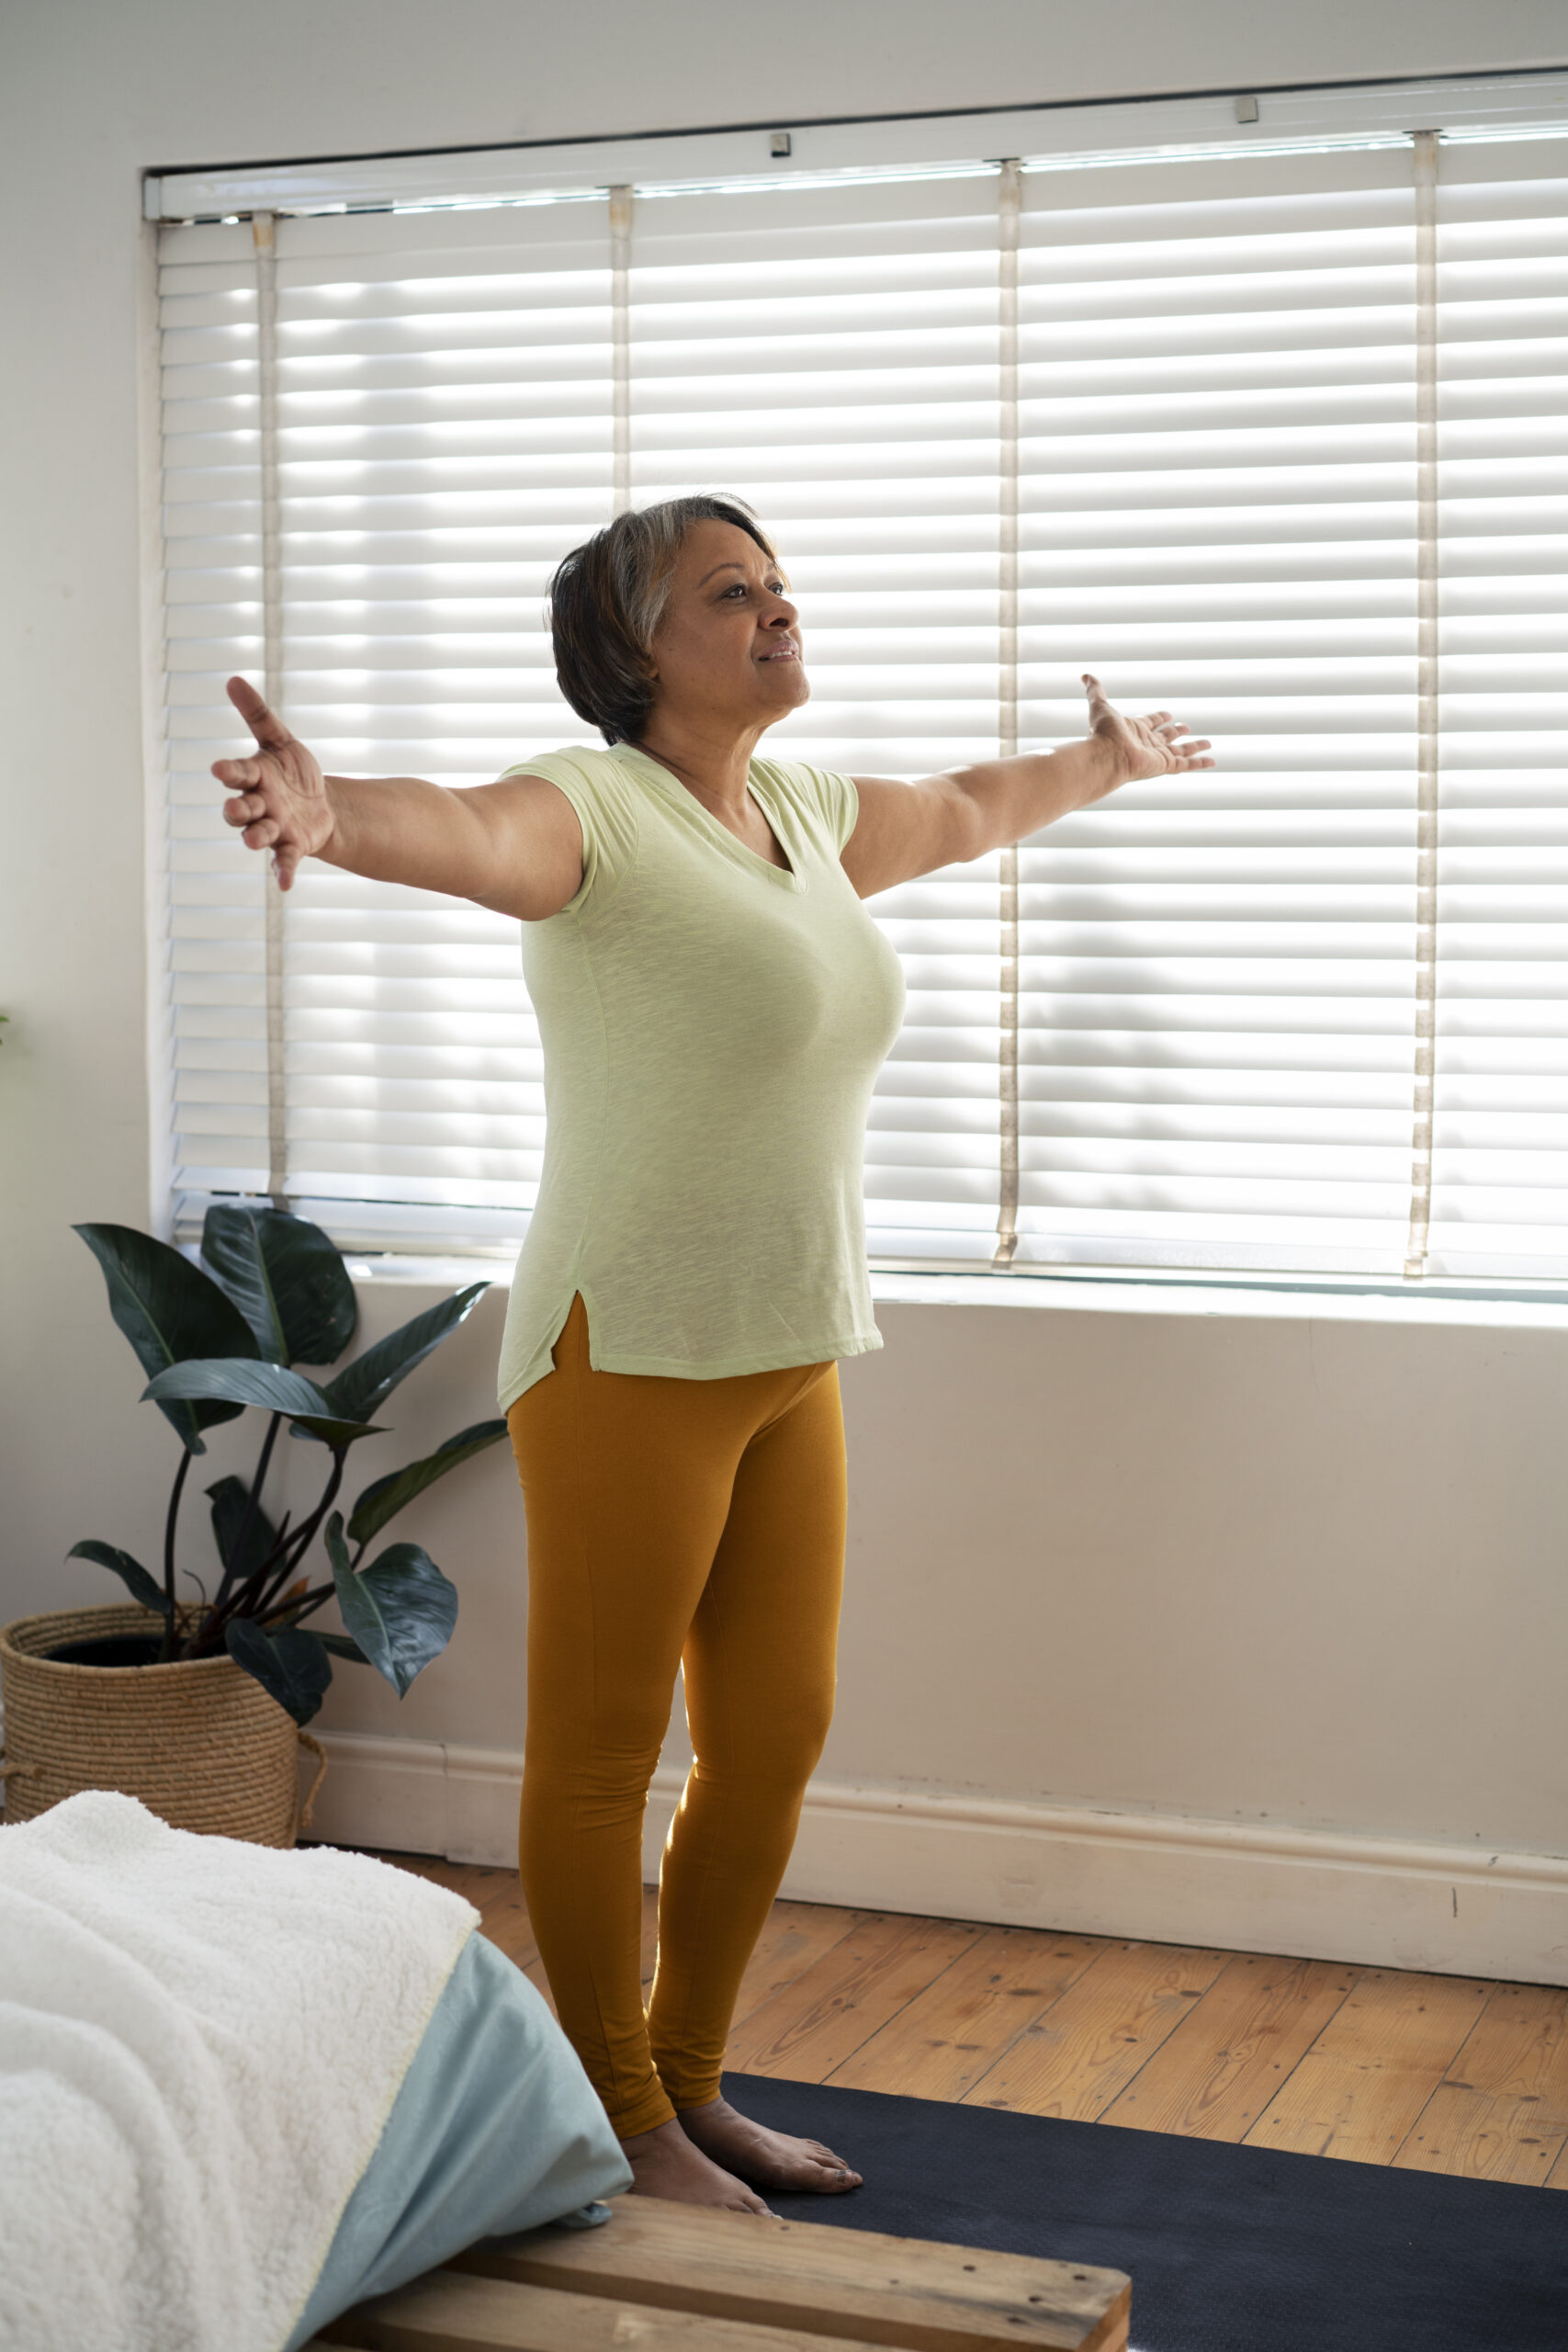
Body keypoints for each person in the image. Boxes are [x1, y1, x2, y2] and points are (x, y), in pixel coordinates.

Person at [213, 493, 1213, 2215]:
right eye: (729, 591)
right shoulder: (591, 810)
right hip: (627, 1353)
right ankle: (619, 2118)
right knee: (604, 1753)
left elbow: (969, 807)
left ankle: (687, 2085)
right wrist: (331, 812)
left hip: (790, 1346)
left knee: (772, 1740)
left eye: (779, 582)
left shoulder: (803, 815)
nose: (776, 607)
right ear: (637, 648)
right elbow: (463, 830)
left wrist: (1101, 762)